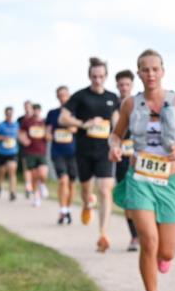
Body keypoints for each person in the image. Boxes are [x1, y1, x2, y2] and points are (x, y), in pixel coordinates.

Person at [110, 49, 175, 291]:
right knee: (148, 241)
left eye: (154, 69)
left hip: (170, 179)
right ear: (138, 73)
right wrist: (114, 148)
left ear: (163, 71)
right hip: (140, 178)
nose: (150, 74)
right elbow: (116, 135)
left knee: (166, 249)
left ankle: (165, 256)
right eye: (144, 69)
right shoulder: (129, 104)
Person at [59, 57, 120, 252]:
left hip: (104, 152)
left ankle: (103, 234)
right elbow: (63, 117)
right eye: (94, 76)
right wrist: (83, 124)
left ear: (106, 76)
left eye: (101, 76)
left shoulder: (112, 98)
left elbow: (118, 123)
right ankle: (87, 203)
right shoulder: (80, 96)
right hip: (84, 151)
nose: (97, 80)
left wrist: (117, 138)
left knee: (104, 190)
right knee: (86, 190)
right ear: (89, 76)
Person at [115, 69, 141, 251]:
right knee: (128, 199)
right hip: (121, 160)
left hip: (141, 158)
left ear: (132, 85)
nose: (124, 87)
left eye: (127, 84)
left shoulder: (139, 103)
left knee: (143, 196)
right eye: (121, 85)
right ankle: (134, 236)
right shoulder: (112, 106)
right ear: (117, 86)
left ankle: (146, 232)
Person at [46, 86, 78, 224]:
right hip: (58, 152)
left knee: (71, 183)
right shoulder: (53, 113)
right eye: (60, 95)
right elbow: (47, 132)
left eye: (65, 95)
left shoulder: (75, 113)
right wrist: (48, 135)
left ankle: (68, 209)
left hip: (73, 152)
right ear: (57, 97)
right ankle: (62, 209)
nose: (63, 97)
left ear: (69, 96)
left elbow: (77, 128)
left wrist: (70, 126)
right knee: (63, 180)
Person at [18, 103, 49, 207]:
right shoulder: (27, 122)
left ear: (40, 111)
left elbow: (49, 135)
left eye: (37, 110)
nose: (35, 112)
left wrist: (47, 135)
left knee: (43, 173)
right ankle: (36, 198)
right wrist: (24, 140)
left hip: (42, 151)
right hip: (31, 151)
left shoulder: (44, 122)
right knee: (34, 176)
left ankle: (43, 185)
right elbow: (20, 132)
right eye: (34, 110)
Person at [0, 107, 19, 201]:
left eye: (11, 114)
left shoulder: (16, 125)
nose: (9, 115)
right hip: (2, 152)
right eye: (8, 114)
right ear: (5, 114)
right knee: (1, 172)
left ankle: (12, 192)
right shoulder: (0, 125)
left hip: (13, 152)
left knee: (12, 170)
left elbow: (20, 135)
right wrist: (3, 138)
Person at [16, 101, 36, 199]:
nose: (27, 108)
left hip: (37, 147)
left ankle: (34, 186)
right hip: (25, 147)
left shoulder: (37, 118)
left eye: (29, 106)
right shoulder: (20, 119)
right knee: (26, 166)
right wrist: (23, 140)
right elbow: (18, 132)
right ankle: (28, 186)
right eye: (25, 107)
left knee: (35, 169)